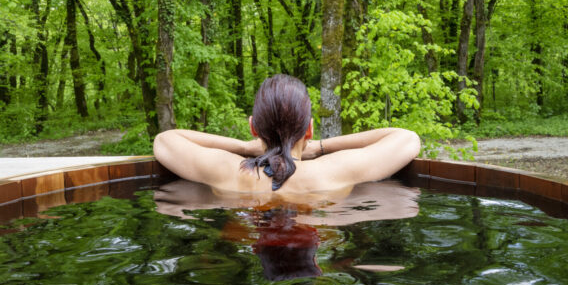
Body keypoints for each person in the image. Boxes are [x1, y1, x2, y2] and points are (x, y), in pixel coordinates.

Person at [152, 74, 421, 196]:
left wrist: (246, 147)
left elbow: (165, 141)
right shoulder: (334, 170)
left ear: (253, 127)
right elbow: (407, 138)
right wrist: (320, 147)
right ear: (309, 129)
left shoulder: (228, 170)